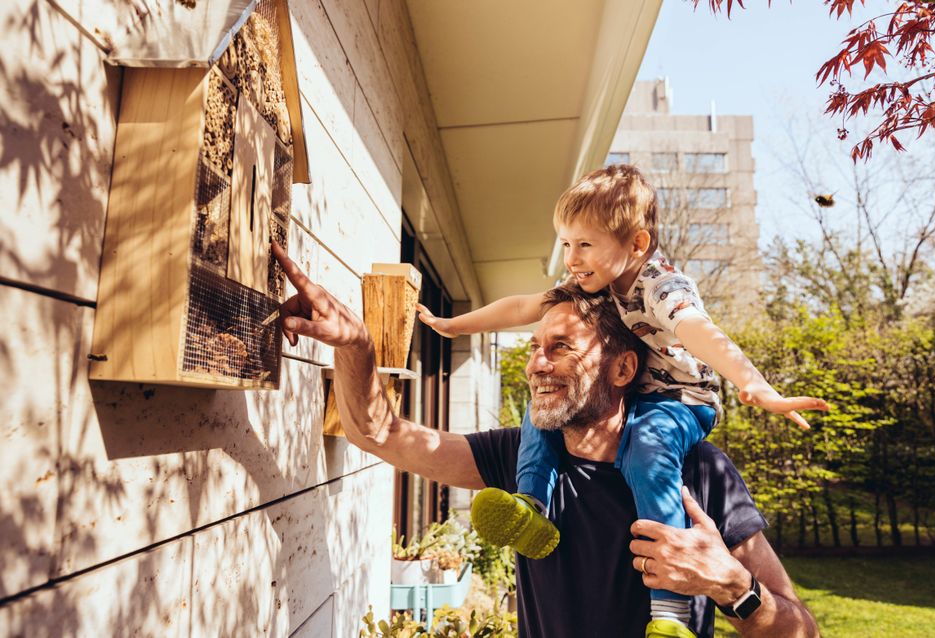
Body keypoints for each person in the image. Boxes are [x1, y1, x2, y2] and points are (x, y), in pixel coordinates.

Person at [270, 241, 820, 638]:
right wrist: (356, 346)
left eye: (560, 348)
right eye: (534, 346)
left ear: (624, 369)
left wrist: (734, 588)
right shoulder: (524, 456)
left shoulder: (700, 471)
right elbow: (380, 433)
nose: (535, 364)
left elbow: (803, 633)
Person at [416, 165, 829, 637]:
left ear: (636, 243)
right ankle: (531, 508)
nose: (571, 258)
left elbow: (699, 331)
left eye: (585, 244)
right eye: (566, 244)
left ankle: (670, 614)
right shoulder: (589, 285)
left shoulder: (660, 286)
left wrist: (752, 382)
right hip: (639, 395)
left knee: (647, 453)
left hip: (679, 400)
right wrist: (454, 325)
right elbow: (520, 307)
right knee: (544, 415)